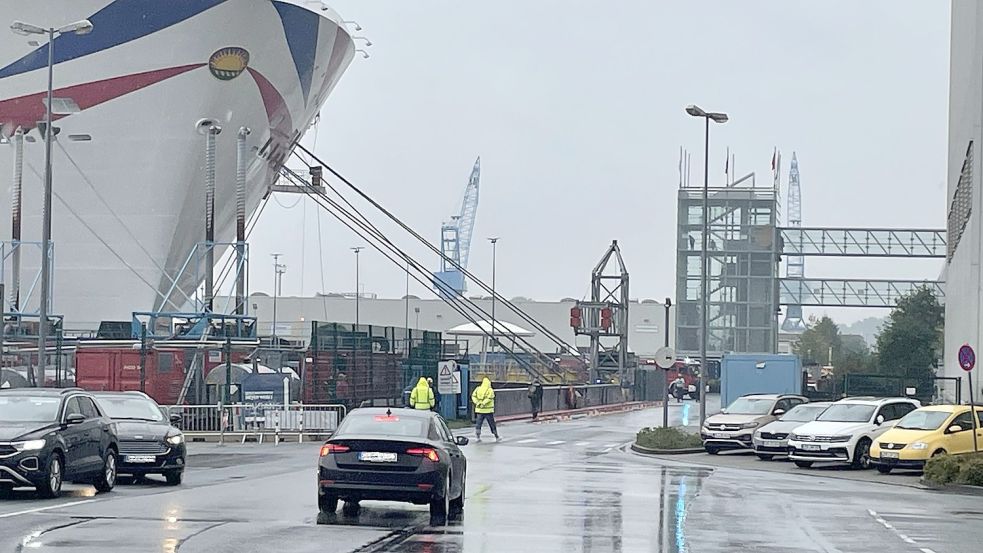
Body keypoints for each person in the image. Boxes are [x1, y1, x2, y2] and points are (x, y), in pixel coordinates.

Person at [471, 377, 500, 442]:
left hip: (479, 410)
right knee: (492, 424)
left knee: (478, 424)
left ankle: (478, 437)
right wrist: (483, 403)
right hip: (488, 410)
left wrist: (478, 403)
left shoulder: (478, 389)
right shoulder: (490, 390)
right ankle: (496, 436)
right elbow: (489, 398)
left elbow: (473, 396)